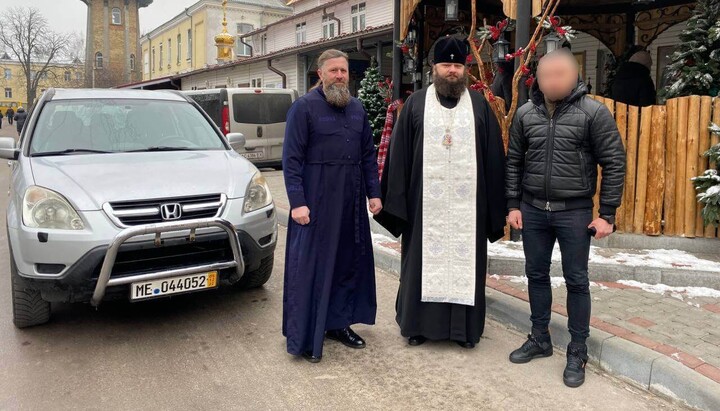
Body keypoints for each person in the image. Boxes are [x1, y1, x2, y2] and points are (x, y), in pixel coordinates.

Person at [374, 36, 507, 349]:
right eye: (446, 65)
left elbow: (492, 159)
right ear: (434, 67)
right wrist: (398, 205)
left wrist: (494, 207)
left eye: (458, 65)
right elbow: (399, 158)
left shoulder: (479, 106)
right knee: (420, 264)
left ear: (465, 69)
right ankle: (417, 326)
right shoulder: (416, 104)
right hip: (424, 211)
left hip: (468, 211)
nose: (452, 71)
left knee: (466, 264)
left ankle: (464, 331)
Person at [505, 48, 626, 388]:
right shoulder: (526, 113)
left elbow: (614, 162)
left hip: (574, 212)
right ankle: (540, 337)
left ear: (575, 75)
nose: (552, 81)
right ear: (538, 79)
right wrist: (513, 204)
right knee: (535, 274)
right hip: (532, 209)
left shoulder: (593, 113)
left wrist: (607, 215)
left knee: (576, 280)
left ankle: (577, 348)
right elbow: (514, 161)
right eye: (546, 75)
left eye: (560, 74)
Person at [281, 49, 383, 364]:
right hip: (315, 202)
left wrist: (373, 193)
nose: (340, 75)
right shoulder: (304, 109)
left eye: (344, 71)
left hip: (350, 202)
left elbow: (368, 154)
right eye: (334, 70)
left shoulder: (356, 110)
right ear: (320, 74)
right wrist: (297, 202)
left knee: (346, 263)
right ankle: (308, 332)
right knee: (312, 266)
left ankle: (340, 323)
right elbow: (292, 160)